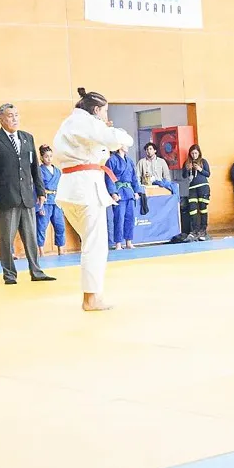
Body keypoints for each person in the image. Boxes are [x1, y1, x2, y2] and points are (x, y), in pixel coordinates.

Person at [53, 88, 134, 311]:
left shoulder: (68, 123)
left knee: (90, 242)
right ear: (96, 110)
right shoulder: (87, 122)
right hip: (86, 188)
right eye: (105, 111)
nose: (106, 116)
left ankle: (93, 294)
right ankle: (91, 298)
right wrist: (110, 130)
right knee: (94, 245)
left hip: (70, 188)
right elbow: (120, 140)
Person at [0, 103, 55, 284]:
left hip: (27, 196)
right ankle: (9, 274)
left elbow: (34, 167)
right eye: (10, 115)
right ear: (1, 119)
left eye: (16, 115)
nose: (15, 118)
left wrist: (40, 190)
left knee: (31, 237)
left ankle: (36, 271)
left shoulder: (27, 138)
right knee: (6, 239)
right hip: (6, 197)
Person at [105, 145, 143, 250]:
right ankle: (118, 243)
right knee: (119, 218)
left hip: (129, 192)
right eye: (125, 144)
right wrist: (113, 193)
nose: (127, 147)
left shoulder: (129, 161)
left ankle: (128, 242)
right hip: (119, 192)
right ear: (119, 146)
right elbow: (109, 178)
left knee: (130, 218)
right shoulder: (111, 160)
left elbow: (134, 178)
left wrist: (136, 191)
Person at [36, 144, 66, 256]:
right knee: (42, 226)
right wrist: (40, 206)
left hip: (56, 201)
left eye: (50, 156)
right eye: (46, 156)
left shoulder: (57, 171)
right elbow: (37, 187)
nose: (49, 159)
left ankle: (61, 249)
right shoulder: (39, 170)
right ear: (41, 157)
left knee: (60, 226)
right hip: (45, 201)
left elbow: (62, 186)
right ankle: (41, 250)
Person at [181, 144, 211, 242]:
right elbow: (184, 176)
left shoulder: (203, 161)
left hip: (203, 187)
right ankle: (194, 231)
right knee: (192, 209)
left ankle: (203, 230)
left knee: (203, 208)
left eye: (195, 153)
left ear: (199, 153)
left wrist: (199, 169)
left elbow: (208, 174)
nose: (194, 155)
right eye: (192, 153)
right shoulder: (187, 163)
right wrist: (188, 169)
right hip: (192, 188)